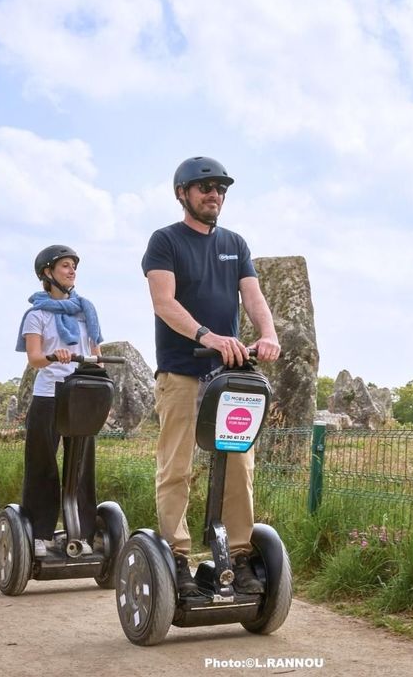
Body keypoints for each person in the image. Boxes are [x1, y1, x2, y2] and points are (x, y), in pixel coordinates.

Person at [141, 155, 281, 596]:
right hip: (182, 371)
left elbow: (253, 298)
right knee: (176, 466)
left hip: (229, 376)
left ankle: (238, 557)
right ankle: (176, 557)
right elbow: (164, 302)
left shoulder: (236, 244)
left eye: (220, 188)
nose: (214, 195)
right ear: (183, 193)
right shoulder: (165, 241)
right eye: (205, 188)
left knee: (239, 465)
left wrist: (268, 333)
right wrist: (209, 336)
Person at [16, 245, 104, 557]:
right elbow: (35, 358)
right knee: (43, 465)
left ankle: (81, 533)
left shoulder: (85, 312)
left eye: (73, 266)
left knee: (81, 468)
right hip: (49, 395)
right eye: (65, 266)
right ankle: (39, 533)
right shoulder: (36, 315)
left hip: (80, 396)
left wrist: (97, 363)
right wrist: (56, 354)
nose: (72, 271)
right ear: (47, 273)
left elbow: (97, 354)